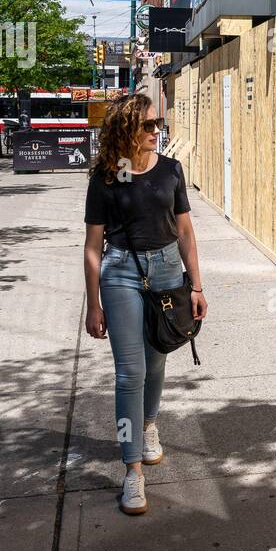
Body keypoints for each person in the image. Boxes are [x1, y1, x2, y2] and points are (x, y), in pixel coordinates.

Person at [83, 94, 207, 515]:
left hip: (169, 272)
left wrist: (197, 286)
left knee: (156, 362)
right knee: (129, 372)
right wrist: (93, 304)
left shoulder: (172, 170)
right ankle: (132, 470)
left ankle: (149, 425)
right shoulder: (107, 176)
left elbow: (187, 232)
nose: (157, 131)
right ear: (126, 129)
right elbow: (92, 245)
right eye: (149, 125)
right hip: (120, 272)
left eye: (159, 124)